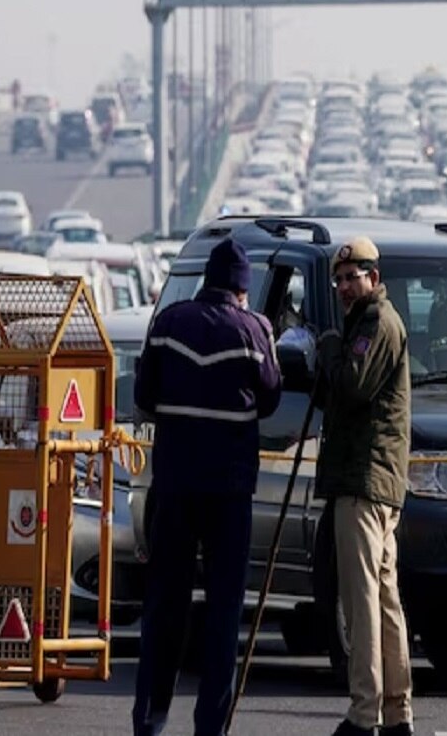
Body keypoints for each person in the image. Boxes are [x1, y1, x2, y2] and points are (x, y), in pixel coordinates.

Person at [131, 237, 282, 736]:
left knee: (165, 606)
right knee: (222, 614)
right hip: (229, 492)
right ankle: (210, 727)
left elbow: (144, 394)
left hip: (173, 485)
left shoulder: (169, 323)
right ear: (242, 289)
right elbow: (270, 398)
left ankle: (150, 718)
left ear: (206, 280)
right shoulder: (253, 329)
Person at [316, 237, 414, 736]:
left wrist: (327, 346)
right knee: (384, 600)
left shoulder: (375, 323)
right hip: (375, 480)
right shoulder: (371, 322)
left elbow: (352, 384)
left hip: (363, 480)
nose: (345, 287)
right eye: (339, 280)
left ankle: (364, 714)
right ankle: (396, 713)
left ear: (374, 278)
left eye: (353, 277)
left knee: (363, 603)